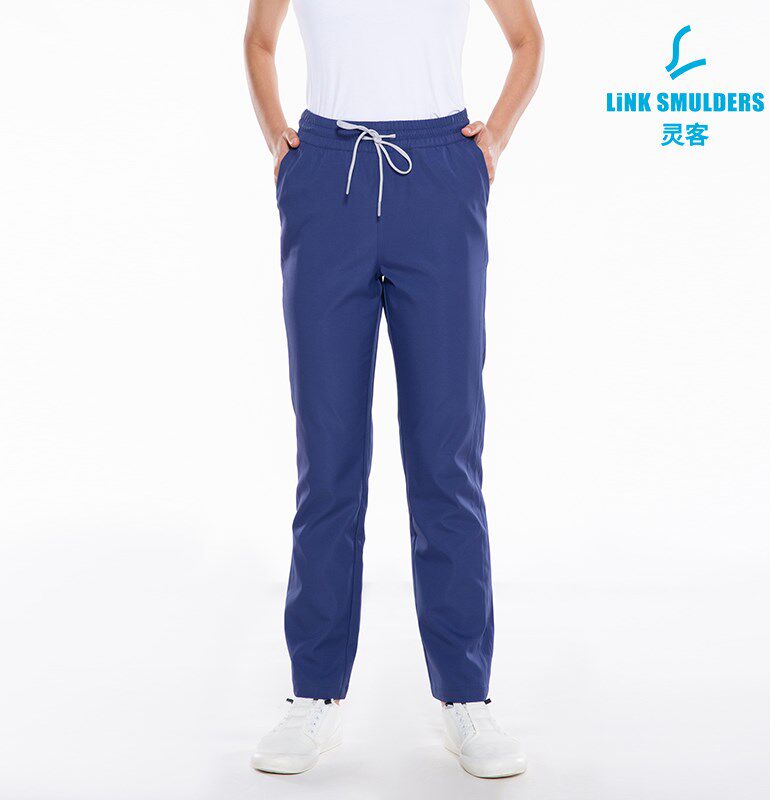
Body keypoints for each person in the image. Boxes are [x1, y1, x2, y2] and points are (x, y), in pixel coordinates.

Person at [244, 0, 544, 779]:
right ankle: (314, 692)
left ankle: (466, 696)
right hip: (326, 175)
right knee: (328, 455)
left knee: (446, 454)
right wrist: (278, 140)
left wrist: (495, 138)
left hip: (440, 176)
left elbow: (526, 40)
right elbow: (259, 40)